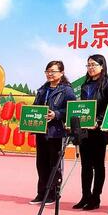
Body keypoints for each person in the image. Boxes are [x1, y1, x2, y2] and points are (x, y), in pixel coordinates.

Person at [73, 55, 108, 211]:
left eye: (93, 64)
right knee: (85, 165)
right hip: (85, 131)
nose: (90, 68)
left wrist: (98, 121)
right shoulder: (85, 85)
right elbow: (84, 108)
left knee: (98, 165)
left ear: (102, 66)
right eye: (88, 65)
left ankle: (95, 197)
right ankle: (85, 196)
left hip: (99, 131)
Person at [30, 61, 76, 205]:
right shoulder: (42, 89)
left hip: (56, 132)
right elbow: (35, 107)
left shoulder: (66, 90)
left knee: (54, 164)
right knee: (41, 163)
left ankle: (52, 194)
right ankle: (41, 193)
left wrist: (56, 114)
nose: (50, 74)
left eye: (53, 71)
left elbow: (71, 109)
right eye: (48, 71)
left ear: (61, 73)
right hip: (41, 131)